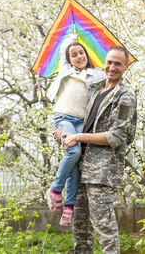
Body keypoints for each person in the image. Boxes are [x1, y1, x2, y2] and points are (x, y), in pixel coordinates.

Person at [60, 46, 137, 253]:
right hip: (80, 169)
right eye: (109, 62)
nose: (112, 67)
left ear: (125, 67)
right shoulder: (94, 89)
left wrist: (79, 136)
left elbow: (116, 136)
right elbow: (77, 119)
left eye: (118, 64)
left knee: (105, 231)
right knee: (81, 232)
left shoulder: (125, 97)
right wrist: (65, 132)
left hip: (101, 173)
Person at [45, 33, 106, 226]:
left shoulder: (95, 74)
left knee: (75, 159)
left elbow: (109, 76)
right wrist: (71, 38)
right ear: (69, 59)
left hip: (82, 122)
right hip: (64, 118)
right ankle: (55, 190)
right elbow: (65, 49)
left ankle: (69, 207)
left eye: (81, 53)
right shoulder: (66, 71)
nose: (79, 57)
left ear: (86, 55)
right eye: (74, 54)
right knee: (74, 150)